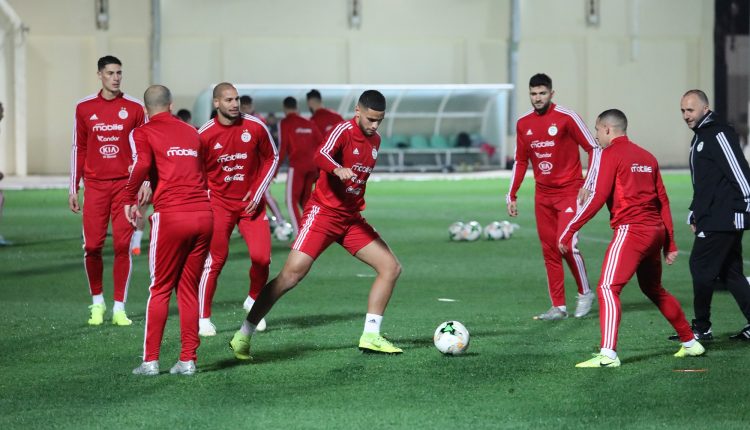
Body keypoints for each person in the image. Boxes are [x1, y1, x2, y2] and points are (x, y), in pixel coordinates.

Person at [230, 90, 403, 359]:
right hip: (322, 215)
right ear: (358, 111)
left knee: (390, 267)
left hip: (350, 220)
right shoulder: (343, 131)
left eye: (379, 120)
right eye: (370, 119)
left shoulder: (376, 140)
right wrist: (337, 169)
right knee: (290, 276)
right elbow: (320, 155)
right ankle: (244, 333)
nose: (374, 125)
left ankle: (371, 335)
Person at [559, 109, 704, 367]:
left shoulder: (610, 154)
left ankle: (608, 354)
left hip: (631, 231)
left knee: (606, 288)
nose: (596, 136)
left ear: (607, 129)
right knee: (653, 288)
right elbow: (663, 201)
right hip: (654, 232)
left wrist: (570, 229)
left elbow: (598, 197)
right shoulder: (647, 156)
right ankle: (690, 342)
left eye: (597, 130)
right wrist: (669, 241)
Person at [126, 85, 213, 376]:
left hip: (172, 217)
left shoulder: (143, 131)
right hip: (203, 214)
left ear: (145, 108)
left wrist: (129, 198)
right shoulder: (192, 132)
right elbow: (194, 170)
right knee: (188, 290)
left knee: (160, 288)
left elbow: (143, 164)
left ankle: (150, 361)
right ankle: (187, 360)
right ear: (171, 104)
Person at [507, 73, 598, 320]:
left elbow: (594, 148)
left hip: (570, 192)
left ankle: (585, 293)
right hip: (543, 196)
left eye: (542, 93)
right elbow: (520, 160)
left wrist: (589, 182)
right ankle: (558, 307)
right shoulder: (523, 123)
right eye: (533, 94)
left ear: (551, 94)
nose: (537, 98)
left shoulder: (567, 117)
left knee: (566, 244)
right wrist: (512, 193)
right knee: (549, 250)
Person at [69, 55, 148, 326]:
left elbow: (144, 150)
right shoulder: (84, 107)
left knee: (123, 246)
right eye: (111, 73)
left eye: (119, 73)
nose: (116, 78)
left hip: (125, 188)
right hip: (95, 187)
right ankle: (97, 302)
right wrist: (73, 185)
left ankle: (119, 307)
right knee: (92, 246)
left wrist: (144, 183)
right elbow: (78, 147)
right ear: (100, 75)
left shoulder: (135, 108)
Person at [196, 82, 279, 336]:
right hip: (219, 205)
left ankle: (253, 300)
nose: (235, 104)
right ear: (216, 103)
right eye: (229, 100)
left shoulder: (255, 126)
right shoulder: (204, 134)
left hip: (251, 205)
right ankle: (203, 318)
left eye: (237, 99)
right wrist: (208, 197)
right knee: (215, 261)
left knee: (262, 259)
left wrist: (257, 190)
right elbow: (195, 171)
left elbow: (272, 157)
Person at [677, 89, 750, 341]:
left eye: (690, 110)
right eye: (683, 111)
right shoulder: (701, 136)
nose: (686, 115)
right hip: (713, 214)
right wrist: (694, 212)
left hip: (725, 216)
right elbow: (706, 183)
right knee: (731, 272)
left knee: (700, 266)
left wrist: (744, 207)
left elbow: (740, 173)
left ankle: (701, 328)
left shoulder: (718, 133)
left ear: (705, 109)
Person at [278, 96, 324, 237]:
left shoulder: (285, 123)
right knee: (305, 200)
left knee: (290, 200)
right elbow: (321, 143)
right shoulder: (308, 123)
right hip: (312, 167)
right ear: (297, 107)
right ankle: (315, 230)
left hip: (297, 167)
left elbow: (283, 148)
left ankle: (300, 235)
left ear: (285, 108)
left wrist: (273, 171)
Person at [240, 94, 287, 228]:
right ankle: (262, 220)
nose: (247, 109)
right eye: (244, 107)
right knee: (250, 194)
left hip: (262, 165)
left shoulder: (258, 121)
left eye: (249, 106)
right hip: (249, 166)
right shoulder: (240, 121)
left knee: (264, 193)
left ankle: (281, 222)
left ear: (252, 106)